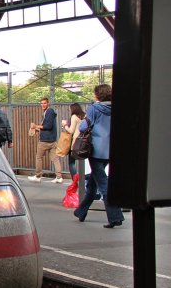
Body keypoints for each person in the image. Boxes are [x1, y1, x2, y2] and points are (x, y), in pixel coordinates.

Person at [73, 84, 124, 228]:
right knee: (93, 183)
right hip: (111, 149)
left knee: (103, 184)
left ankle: (115, 217)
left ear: (98, 95)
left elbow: (83, 127)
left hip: (96, 150)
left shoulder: (95, 108)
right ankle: (81, 212)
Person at [28, 97, 62, 183]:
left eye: (44, 103)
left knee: (39, 158)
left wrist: (36, 126)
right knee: (55, 159)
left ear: (48, 103)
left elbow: (48, 126)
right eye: (41, 103)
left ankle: (38, 176)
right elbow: (48, 126)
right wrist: (38, 128)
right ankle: (59, 177)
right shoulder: (49, 112)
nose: (43, 105)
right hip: (53, 140)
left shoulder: (49, 112)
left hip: (44, 140)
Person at [61, 102, 85, 181]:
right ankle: (83, 180)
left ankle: (75, 180)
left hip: (75, 142)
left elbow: (71, 130)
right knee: (82, 162)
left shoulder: (74, 116)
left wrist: (65, 125)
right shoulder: (84, 116)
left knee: (71, 162)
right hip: (84, 142)